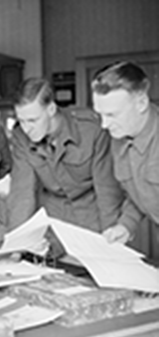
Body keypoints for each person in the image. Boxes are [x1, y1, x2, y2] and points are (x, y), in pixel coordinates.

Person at [7, 77, 124, 233]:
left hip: (92, 215)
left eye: (32, 120)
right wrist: (17, 243)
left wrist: (111, 235)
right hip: (53, 219)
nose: (27, 128)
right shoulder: (20, 137)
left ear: (51, 109)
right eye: (21, 121)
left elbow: (107, 190)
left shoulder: (91, 130)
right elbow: (22, 192)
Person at [91, 61, 159, 244]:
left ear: (142, 103)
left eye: (112, 115)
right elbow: (139, 191)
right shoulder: (120, 137)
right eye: (100, 115)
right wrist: (126, 225)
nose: (104, 125)